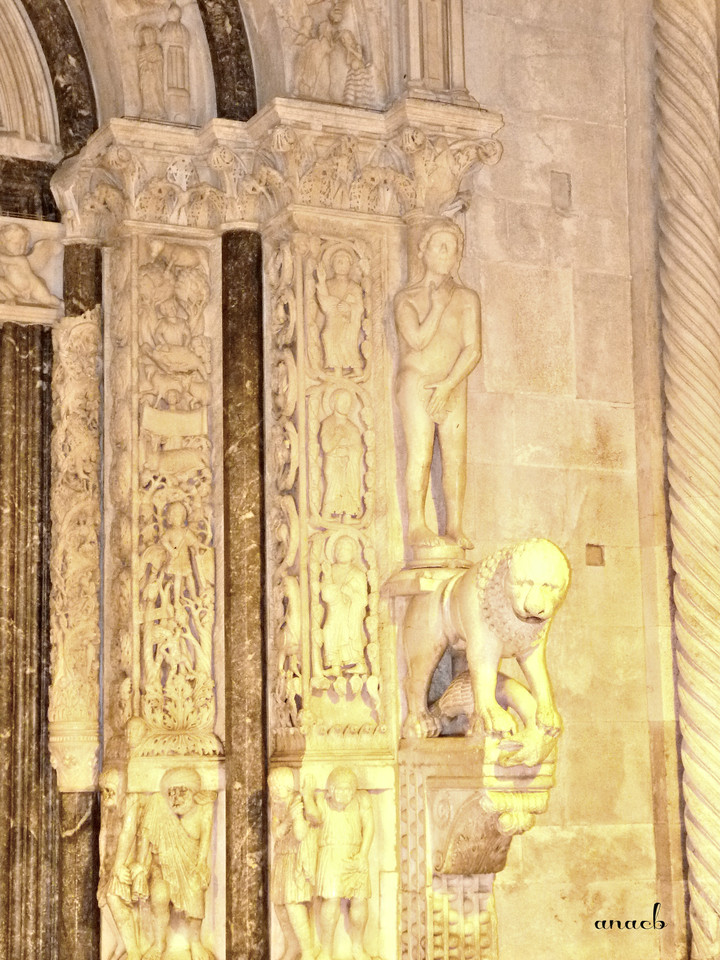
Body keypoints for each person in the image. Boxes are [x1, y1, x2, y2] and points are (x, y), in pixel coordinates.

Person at [394, 219, 481, 551]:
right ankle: (417, 524)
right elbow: (416, 340)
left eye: (453, 247)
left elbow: (473, 349)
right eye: (440, 246)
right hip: (417, 381)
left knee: (456, 458)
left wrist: (448, 383)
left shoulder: (467, 298)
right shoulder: (408, 297)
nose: (448, 253)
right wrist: (438, 307)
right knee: (421, 454)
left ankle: (455, 526)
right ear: (423, 251)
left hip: (452, 382)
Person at [132, 766, 216, 960]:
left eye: (182, 791)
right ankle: (159, 943)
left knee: (196, 889)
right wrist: (141, 865)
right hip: (161, 868)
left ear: (194, 792)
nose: (175, 798)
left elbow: (205, 839)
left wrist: (202, 864)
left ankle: (195, 942)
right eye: (171, 792)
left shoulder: (203, 810)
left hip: (190, 867)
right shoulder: (158, 805)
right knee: (159, 897)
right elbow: (146, 833)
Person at [304, 767, 374, 960]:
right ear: (331, 790)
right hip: (331, 853)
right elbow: (313, 816)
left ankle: (358, 948)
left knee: (360, 900)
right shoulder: (323, 803)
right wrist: (307, 794)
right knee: (331, 900)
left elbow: (369, 827)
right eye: (340, 789)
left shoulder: (362, 801)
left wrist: (363, 855)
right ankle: (326, 950)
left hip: (355, 853)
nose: (344, 794)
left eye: (348, 789)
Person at [269, 767, 318, 960]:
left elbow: (300, 834)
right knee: (279, 906)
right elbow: (277, 832)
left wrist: (295, 816)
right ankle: (292, 945)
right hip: (281, 858)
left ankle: (307, 950)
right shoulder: (278, 806)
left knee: (293, 904)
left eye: (278, 787)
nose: (274, 791)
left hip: (296, 860)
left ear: (289, 787)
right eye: (272, 787)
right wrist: (289, 817)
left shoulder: (298, 802)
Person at [320, 537, 368, 675]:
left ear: (353, 553)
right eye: (338, 548)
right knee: (328, 630)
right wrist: (328, 576)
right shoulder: (331, 570)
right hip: (334, 611)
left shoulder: (358, 574)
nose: (341, 551)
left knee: (350, 630)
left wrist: (351, 593)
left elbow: (363, 600)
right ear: (334, 552)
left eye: (346, 549)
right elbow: (325, 593)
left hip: (350, 612)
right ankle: (334, 665)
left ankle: (359, 663)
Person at [316, 249, 365, 373]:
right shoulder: (328, 284)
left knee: (347, 337)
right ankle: (337, 370)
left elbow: (359, 307)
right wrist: (321, 281)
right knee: (327, 335)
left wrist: (349, 308)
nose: (342, 265)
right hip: (332, 319)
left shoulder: (354, 287)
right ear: (332, 265)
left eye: (345, 262)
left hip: (349, 322)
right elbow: (324, 303)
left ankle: (356, 369)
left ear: (350, 265)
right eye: (339, 262)